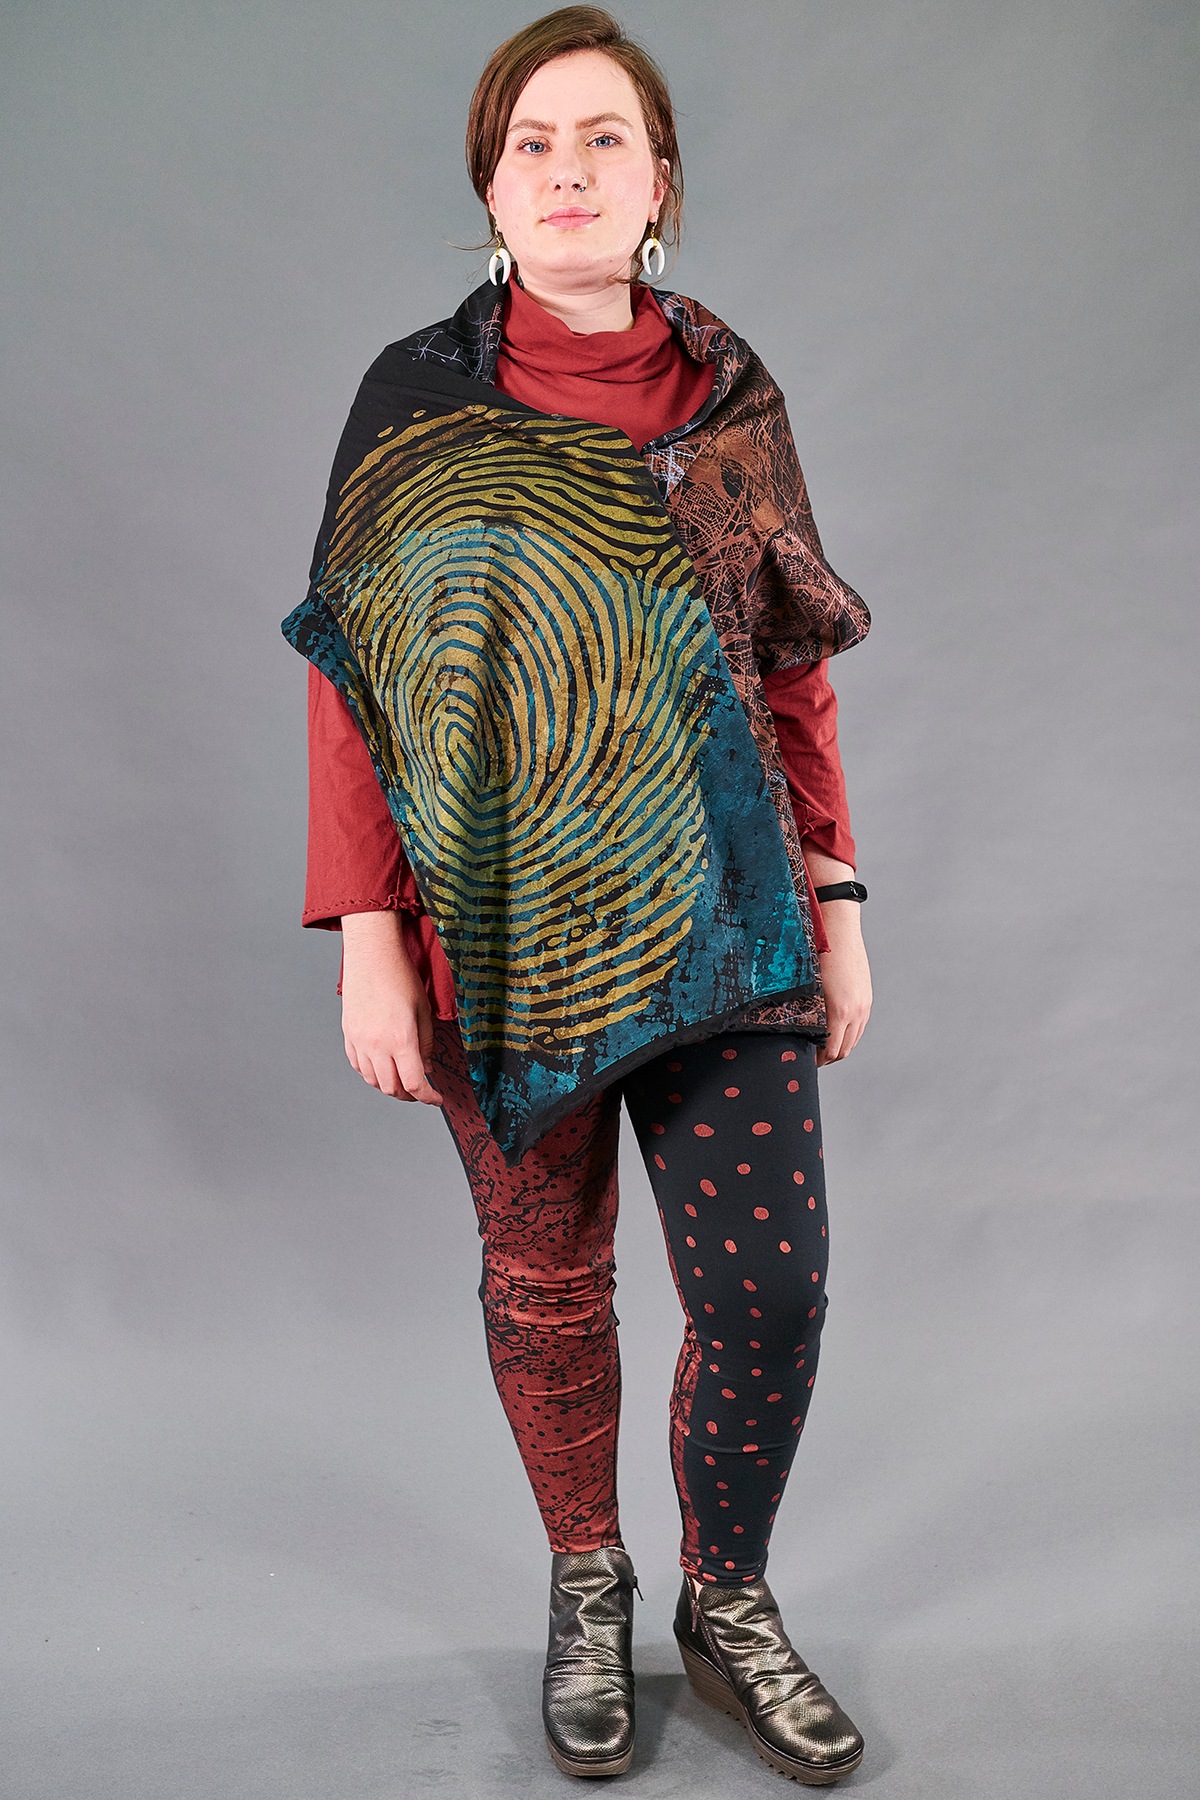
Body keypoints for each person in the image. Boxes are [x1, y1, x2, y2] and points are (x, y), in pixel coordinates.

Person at [286, 7, 872, 1783]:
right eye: (531, 142)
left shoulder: (733, 397)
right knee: (550, 1287)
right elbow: (353, 689)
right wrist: (368, 944)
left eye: (604, 138)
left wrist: (841, 904)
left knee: (770, 1294)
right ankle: (586, 1582)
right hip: (494, 928)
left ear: (658, 182)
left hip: (731, 913)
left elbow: (789, 675)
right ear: (490, 186)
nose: (567, 171)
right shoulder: (414, 402)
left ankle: (728, 1599)